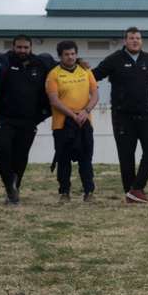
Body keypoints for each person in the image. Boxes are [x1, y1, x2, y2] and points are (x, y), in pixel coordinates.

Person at [92, 27, 148, 203]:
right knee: (126, 155)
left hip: (145, 115)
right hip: (122, 117)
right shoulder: (114, 59)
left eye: (138, 38)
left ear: (141, 40)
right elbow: (94, 75)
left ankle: (137, 188)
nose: (135, 41)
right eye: (131, 38)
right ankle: (131, 192)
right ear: (125, 41)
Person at [0, 35, 56, 204]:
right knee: (2, 152)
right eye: (19, 47)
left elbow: (62, 68)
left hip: (28, 120)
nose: (22, 51)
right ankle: (9, 186)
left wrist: (80, 62)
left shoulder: (40, 64)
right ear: (13, 47)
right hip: (4, 119)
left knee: (20, 156)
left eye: (25, 47)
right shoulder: (2, 61)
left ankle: (14, 190)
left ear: (31, 48)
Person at [46, 41, 98, 202]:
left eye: (73, 54)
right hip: (62, 125)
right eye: (66, 54)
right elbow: (54, 101)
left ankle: (89, 192)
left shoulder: (86, 70)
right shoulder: (53, 74)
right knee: (63, 160)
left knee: (86, 160)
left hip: (84, 123)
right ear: (60, 56)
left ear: (77, 54)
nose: (70, 57)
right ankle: (64, 193)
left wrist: (85, 111)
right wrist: (73, 115)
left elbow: (95, 95)